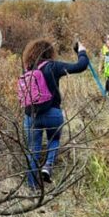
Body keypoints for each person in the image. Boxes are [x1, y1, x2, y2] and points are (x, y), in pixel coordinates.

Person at [20, 38, 89, 187]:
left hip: (31, 116)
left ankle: (32, 188)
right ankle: (47, 166)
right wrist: (81, 51)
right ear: (49, 52)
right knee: (54, 140)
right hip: (52, 113)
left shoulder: (27, 69)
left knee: (33, 151)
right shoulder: (52, 66)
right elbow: (81, 66)